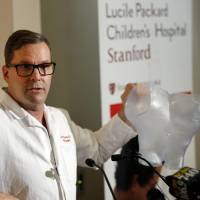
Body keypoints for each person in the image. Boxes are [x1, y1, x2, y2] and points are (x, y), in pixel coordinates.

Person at [0, 30, 137, 200]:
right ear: (6, 73)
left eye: (44, 67)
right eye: (26, 67)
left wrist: (129, 112)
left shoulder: (59, 119)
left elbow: (96, 151)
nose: (37, 76)